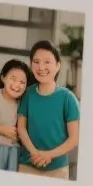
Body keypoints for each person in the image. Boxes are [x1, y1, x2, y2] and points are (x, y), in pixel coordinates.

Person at [16, 40, 81, 175]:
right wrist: (35, 153)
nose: (41, 67)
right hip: (27, 165)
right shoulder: (27, 94)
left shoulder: (68, 98)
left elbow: (74, 138)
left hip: (58, 169)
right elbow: (21, 128)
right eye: (36, 61)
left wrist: (48, 155)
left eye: (47, 62)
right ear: (31, 64)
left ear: (57, 66)